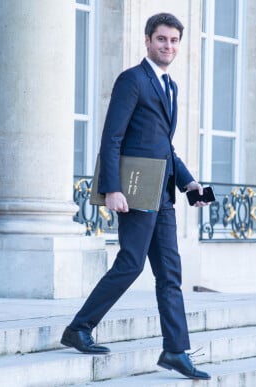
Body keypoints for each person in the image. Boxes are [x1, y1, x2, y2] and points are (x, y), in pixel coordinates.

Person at [60, 12, 210, 381]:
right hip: (135, 190)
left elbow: (163, 146)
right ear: (147, 40)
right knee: (131, 263)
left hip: (162, 194)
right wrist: (111, 188)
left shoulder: (170, 86)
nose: (168, 46)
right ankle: (78, 329)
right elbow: (112, 137)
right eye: (162, 39)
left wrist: (189, 183)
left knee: (170, 274)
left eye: (174, 41)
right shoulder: (132, 80)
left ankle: (175, 350)